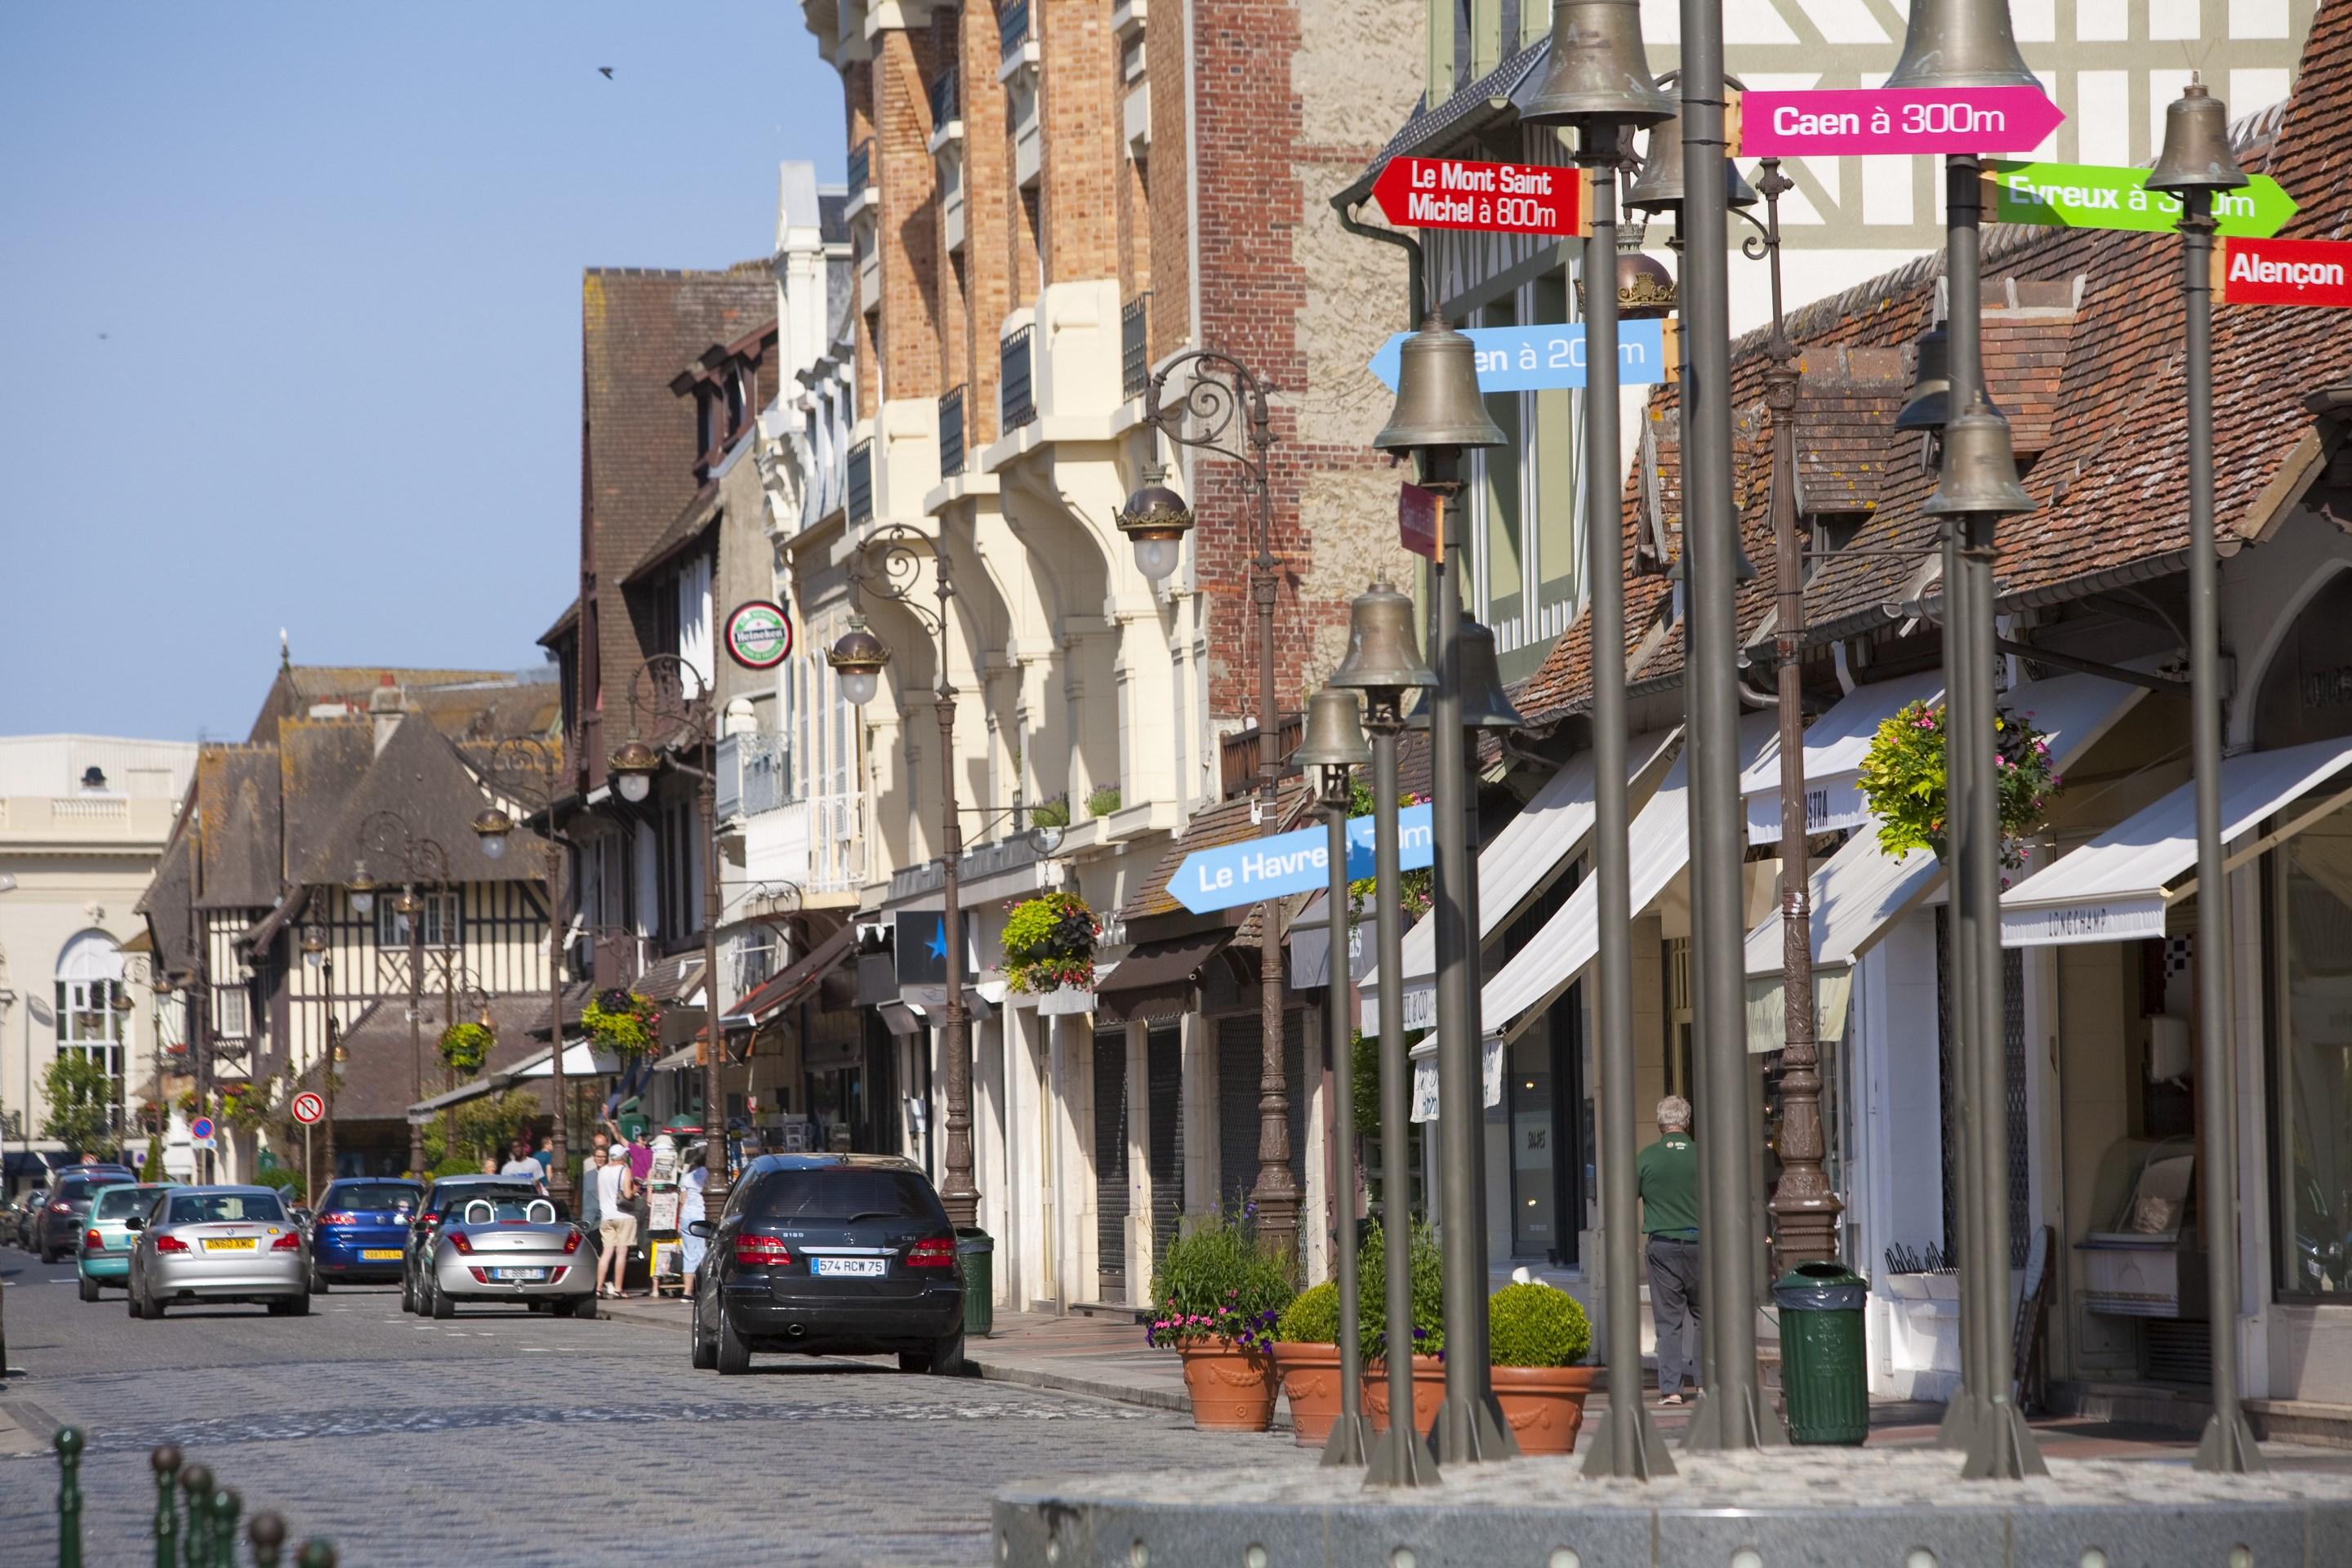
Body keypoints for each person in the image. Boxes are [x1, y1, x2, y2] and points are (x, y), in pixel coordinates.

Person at [1637, 1095, 1703, 1405]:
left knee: (1668, 1322)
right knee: (1705, 1317)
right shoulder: (1703, 1155)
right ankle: (1706, 1383)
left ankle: (1671, 1389)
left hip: (1662, 1246)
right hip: (1701, 1245)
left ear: (1660, 1123)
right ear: (1686, 1122)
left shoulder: (1647, 1158)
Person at [595, 1146, 637, 1298]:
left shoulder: (602, 1171)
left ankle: (599, 1288)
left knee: (606, 1252)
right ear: (622, 1156)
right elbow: (627, 1193)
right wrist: (635, 1189)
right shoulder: (625, 1170)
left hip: (607, 1217)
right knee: (621, 1252)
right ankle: (618, 1288)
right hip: (623, 1215)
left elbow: (600, 1195)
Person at [678, 1148, 710, 1281]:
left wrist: (679, 1220)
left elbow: (682, 1199)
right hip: (701, 1216)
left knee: (689, 1255)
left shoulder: (688, 1177)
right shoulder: (711, 1176)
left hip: (687, 1216)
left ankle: (687, 1292)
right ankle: (702, 1288)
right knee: (703, 1253)